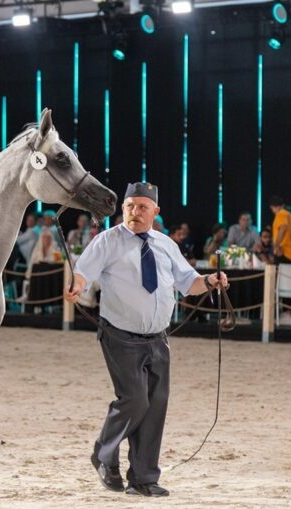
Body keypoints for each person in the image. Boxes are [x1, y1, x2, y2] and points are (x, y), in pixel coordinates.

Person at [65, 182, 228, 498]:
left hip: (158, 338)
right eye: (129, 206)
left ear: (155, 211)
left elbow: (187, 282)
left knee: (155, 405)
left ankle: (142, 479)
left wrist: (209, 281)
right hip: (120, 335)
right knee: (135, 398)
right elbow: (83, 273)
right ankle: (103, 452)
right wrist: (77, 285)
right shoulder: (107, 242)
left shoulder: (165, 244)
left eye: (141, 207)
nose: (134, 212)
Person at [270, 196, 291, 264]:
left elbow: (283, 228)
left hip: (283, 252)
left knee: (279, 274)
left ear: (272, 207)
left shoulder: (281, 214)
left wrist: (276, 247)